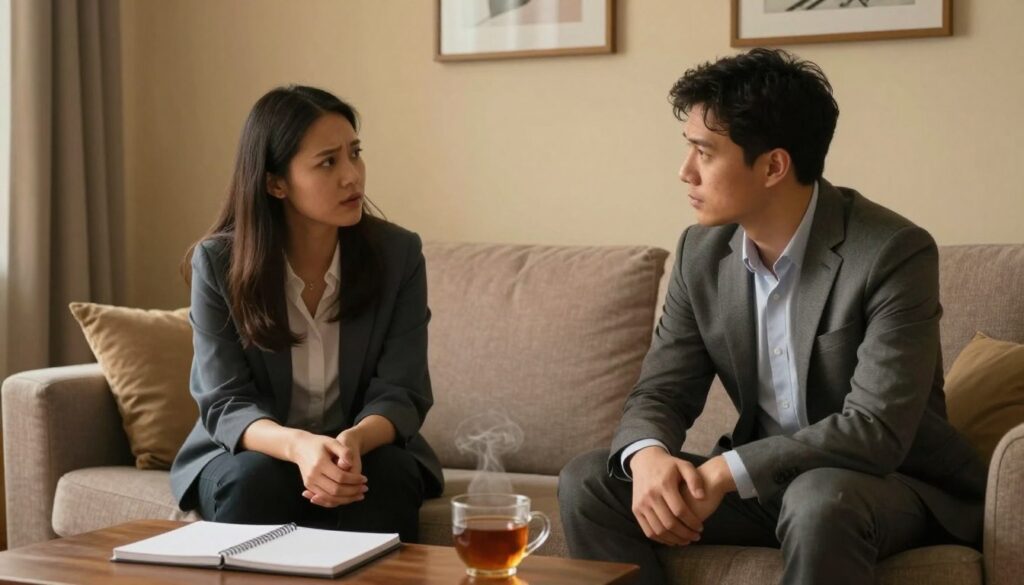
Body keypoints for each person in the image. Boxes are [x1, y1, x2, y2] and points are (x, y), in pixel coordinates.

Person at [558, 49, 985, 584]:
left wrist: (726, 471)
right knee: (589, 481)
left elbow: (875, 429)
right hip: (766, 487)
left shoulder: (893, 252)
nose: (684, 172)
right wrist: (647, 456)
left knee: (818, 498)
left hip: (886, 485)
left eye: (704, 152)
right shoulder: (701, 252)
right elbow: (662, 392)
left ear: (773, 166)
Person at [169, 85, 443, 542]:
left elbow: (402, 390)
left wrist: (351, 443)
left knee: (387, 475)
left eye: (354, 154)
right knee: (256, 480)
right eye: (328, 162)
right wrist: (298, 446)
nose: (352, 176)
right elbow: (225, 401)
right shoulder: (218, 263)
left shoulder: (398, 255)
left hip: (361, 448)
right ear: (275, 182)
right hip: (258, 451)